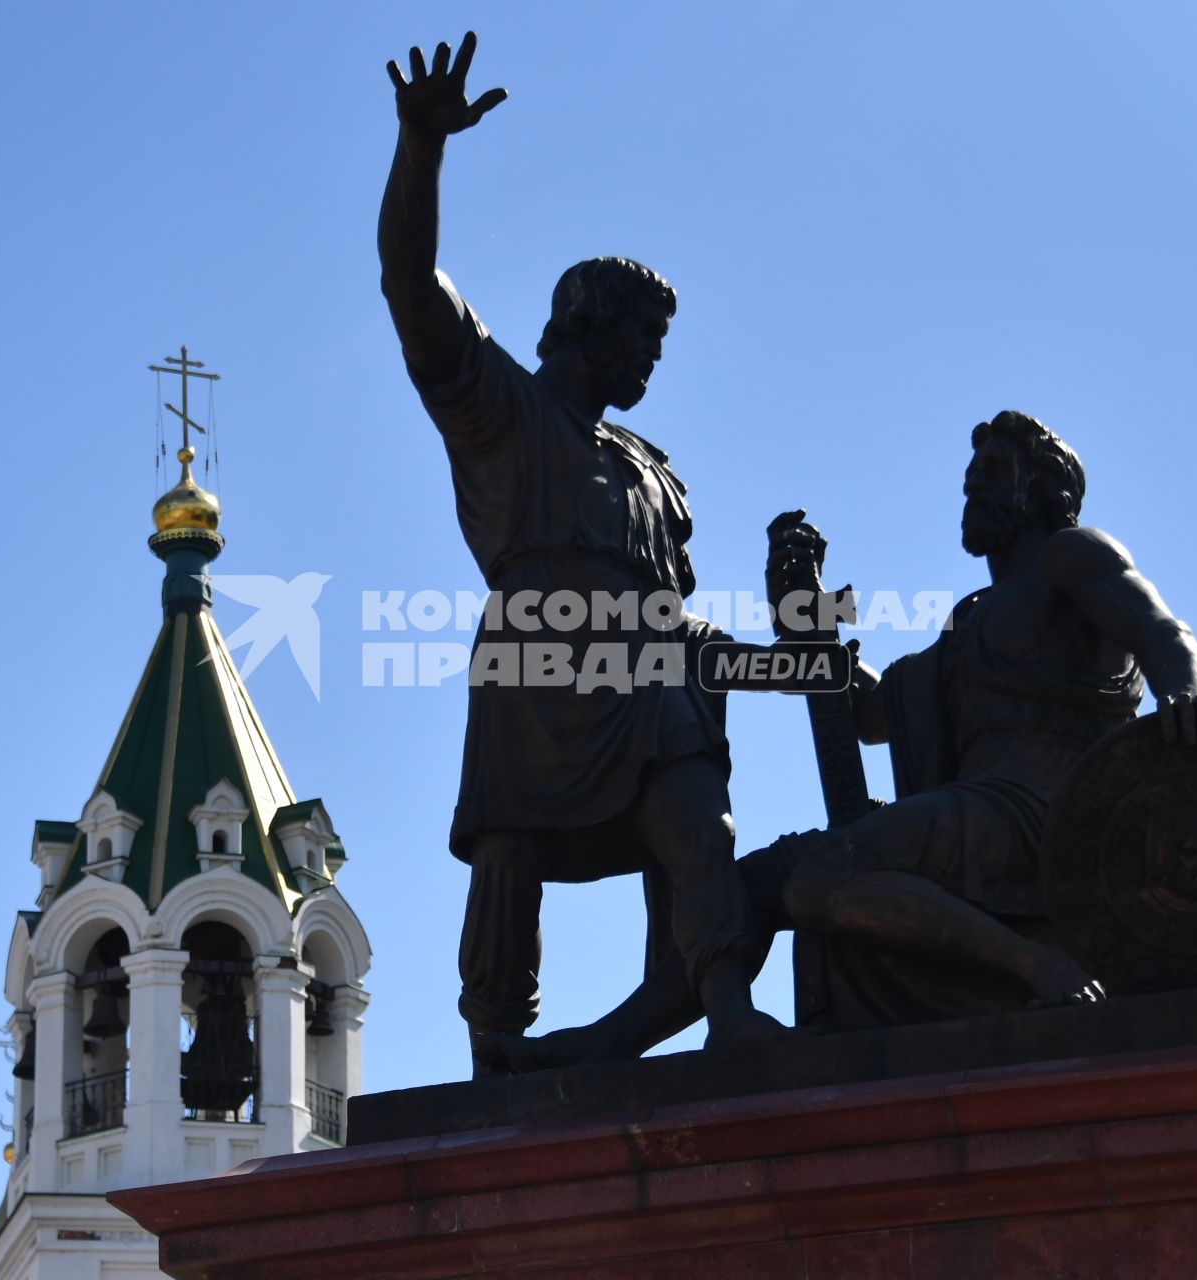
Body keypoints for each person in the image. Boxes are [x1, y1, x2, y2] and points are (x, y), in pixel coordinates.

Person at [497, 411, 1197, 1067]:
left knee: (817, 879)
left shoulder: (1072, 556)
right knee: (745, 885)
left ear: (1041, 490)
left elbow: (1164, 630)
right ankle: (611, 1044)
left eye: (990, 477)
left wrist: (1186, 695)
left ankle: (1039, 967)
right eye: (967, 480)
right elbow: (877, 715)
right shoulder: (971, 621)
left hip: (1040, 816)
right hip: (973, 813)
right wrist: (811, 620)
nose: (970, 494)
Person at [376, 32, 778, 1074]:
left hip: (651, 666)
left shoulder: (651, 465)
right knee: (511, 843)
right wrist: (423, 146)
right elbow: (410, 282)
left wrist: (790, 658)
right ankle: (499, 1038)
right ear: (590, 324)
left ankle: (719, 995)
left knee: (697, 809)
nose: (653, 356)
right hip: (536, 662)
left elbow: (677, 607)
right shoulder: (501, 407)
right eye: (644, 335)